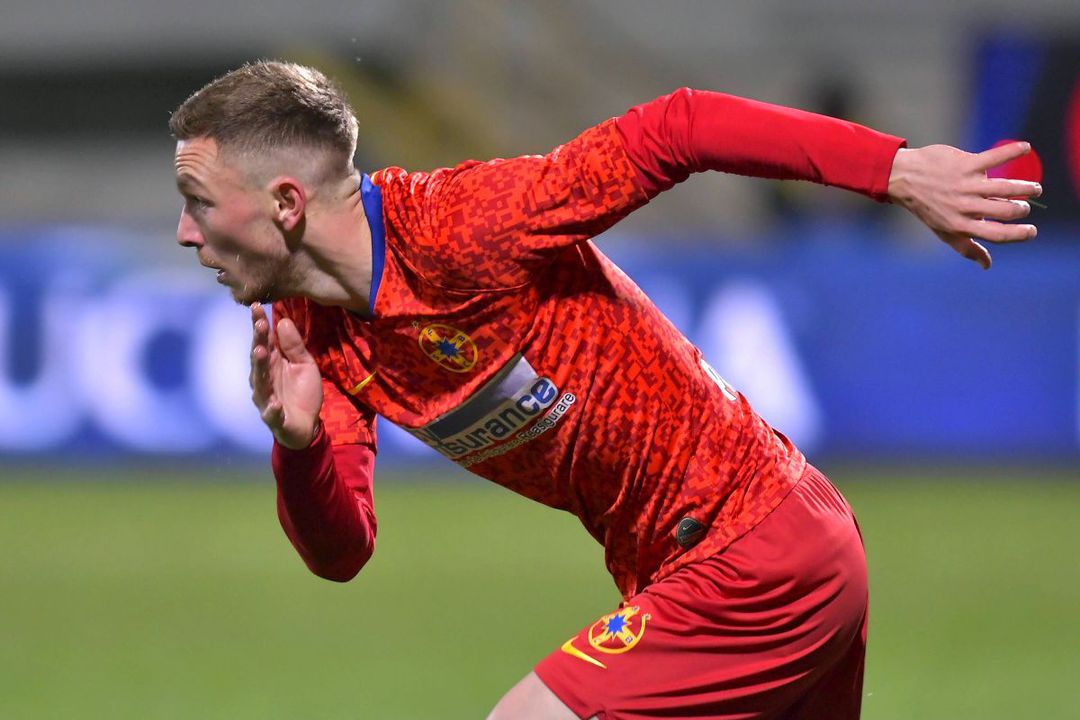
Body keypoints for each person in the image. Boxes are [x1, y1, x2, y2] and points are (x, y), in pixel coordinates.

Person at [170, 61, 1040, 719]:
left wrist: (894, 170)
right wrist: (298, 446)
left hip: (753, 550)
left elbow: (680, 127)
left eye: (197, 200)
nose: (183, 231)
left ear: (286, 202)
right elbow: (342, 552)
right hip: (712, 566)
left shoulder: (462, 227)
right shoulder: (316, 338)